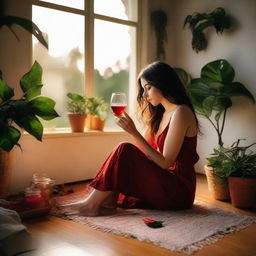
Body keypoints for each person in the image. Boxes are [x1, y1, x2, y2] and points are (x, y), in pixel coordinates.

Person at [59, 61, 199, 216]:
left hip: (178, 190)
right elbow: (144, 154)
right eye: (144, 90)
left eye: (148, 88)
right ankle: (101, 203)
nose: (145, 95)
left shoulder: (181, 113)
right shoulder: (161, 115)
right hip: (165, 181)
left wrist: (134, 132)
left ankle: (91, 205)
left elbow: (165, 163)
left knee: (124, 148)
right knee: (121, 161)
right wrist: (133, 130)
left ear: (163, 83)